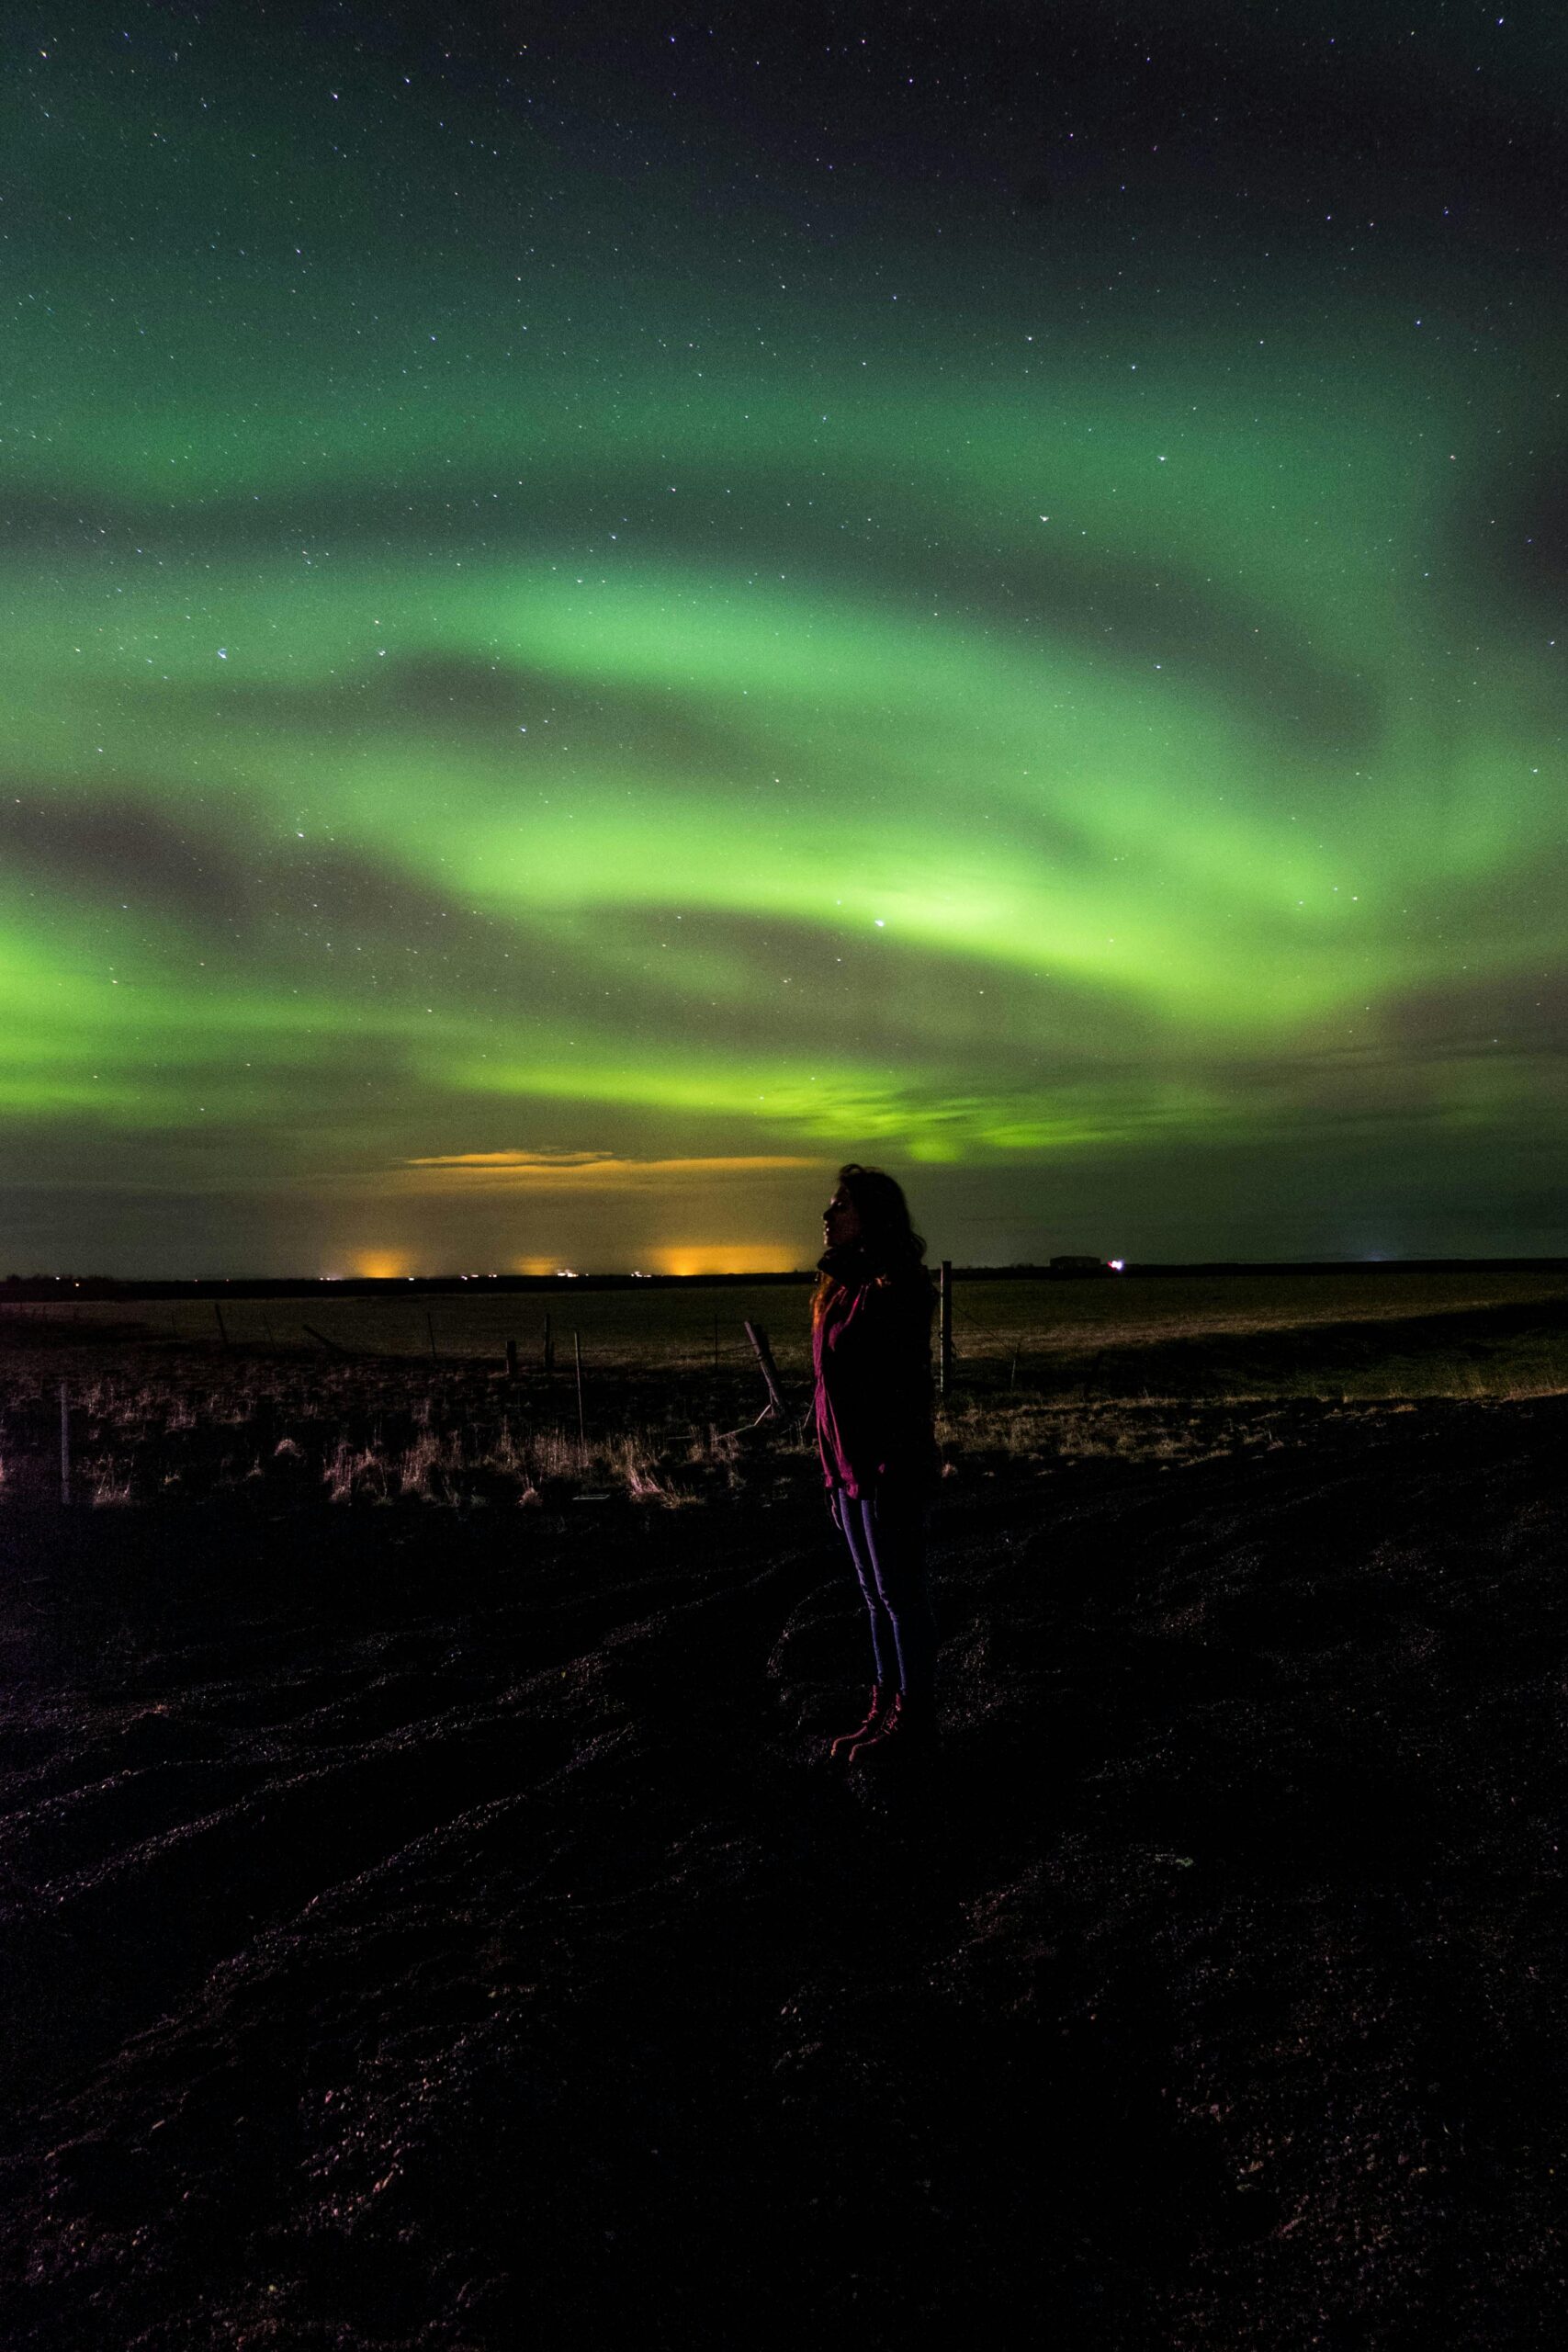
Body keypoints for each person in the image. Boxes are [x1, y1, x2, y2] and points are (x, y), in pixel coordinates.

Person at [812, 1163, 942, 1766]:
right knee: (874, 1594)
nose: (827, 1215)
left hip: (887, 1469)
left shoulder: (899, 1289)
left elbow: (903, 1390)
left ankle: (913, 1718)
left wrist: (890, 1469)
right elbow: (826, 1390)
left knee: (898, 1595)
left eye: (840, 1205)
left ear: (871, 1216)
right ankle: (883, 1708)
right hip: (847, 1469)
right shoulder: (839, 1287)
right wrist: (830, 1472)